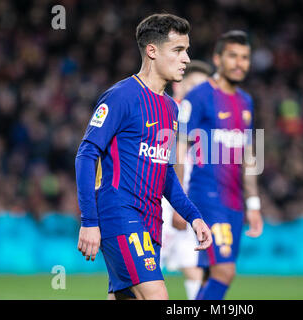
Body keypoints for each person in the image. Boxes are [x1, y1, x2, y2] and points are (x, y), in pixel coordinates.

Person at [75, 13, 212, 300]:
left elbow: (164, 172)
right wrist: (89, 221)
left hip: (152, 222)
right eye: (178, 50)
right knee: (157, 296)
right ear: (152, 51)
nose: (186, 58)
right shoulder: (121, 97)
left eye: (186, 50)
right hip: (120, 213)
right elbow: (87, 154)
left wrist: (193, 217)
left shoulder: (171, 110)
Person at [177, 30, 263, 300]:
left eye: (245, 57)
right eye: (233, 56)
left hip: (234, 201)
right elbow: (179, 147)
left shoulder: (246, 101)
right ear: (218, 58)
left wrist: (254, 204)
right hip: (206, 195)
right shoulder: (199, 97)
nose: (240, 63)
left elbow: (249, 153)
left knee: (210, 276)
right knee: (225, 271)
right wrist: (180, 202)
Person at [160, 60, 213, 300]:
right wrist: (177, 206)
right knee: (147, 267)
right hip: (164, 202)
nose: (199, 92)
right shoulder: (172, 112)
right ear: (178, 85)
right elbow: (176, 157)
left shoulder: (201, 118)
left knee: (194, 266)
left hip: (187, 202)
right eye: (193, 85)